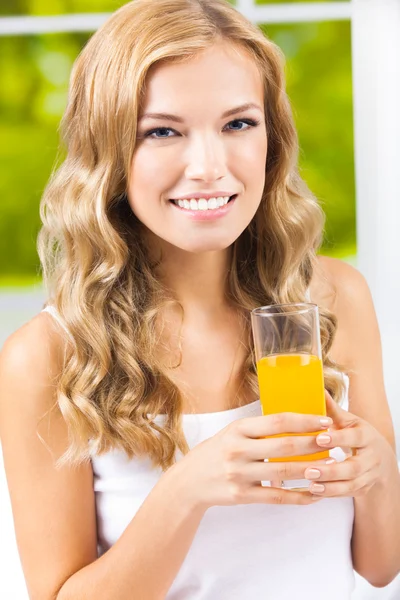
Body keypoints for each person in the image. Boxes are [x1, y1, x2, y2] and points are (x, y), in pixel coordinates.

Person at [0, 0, 399, 598]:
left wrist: (377, 476)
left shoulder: (332, 298)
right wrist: (188, 489)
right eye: (162, 131)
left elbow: (380, 565)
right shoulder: (49, 357)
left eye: (239, 124)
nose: (210, 167)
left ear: (273, 138)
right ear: (108, 152)